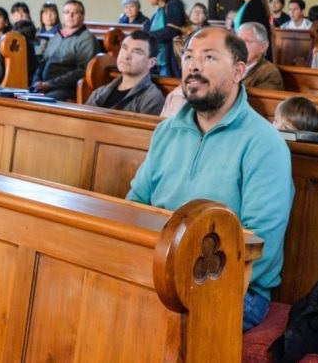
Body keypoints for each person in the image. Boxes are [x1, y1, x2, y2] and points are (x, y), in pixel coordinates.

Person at [126, 27, 294, 331]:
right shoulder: (166, 131)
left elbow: (261, 243)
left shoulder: (264, 143)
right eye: (188, 57)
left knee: (140, 324)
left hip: (234, 289)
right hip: (160, 271)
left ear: (239, 71)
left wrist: (179, 277)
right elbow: (136, 204)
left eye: (209, 57)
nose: (194, 66)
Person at [32, 0, 100, 100]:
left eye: (75, 12)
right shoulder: (57, 36)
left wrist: (49, 84)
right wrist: (36, 82)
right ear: (63, 15)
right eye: (67, 12)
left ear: (82, 16)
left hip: (67, 88)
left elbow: (82, 71)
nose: (70, 15)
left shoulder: (87, 39)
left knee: (43, 102)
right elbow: (43, 63)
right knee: (20, 98)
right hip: (45, 86)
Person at [85, 30, 164, 115]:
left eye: (137, 52)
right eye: (124, 48)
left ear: (151, 63)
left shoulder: (152, 98)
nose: (126, 56)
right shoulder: (99, 92)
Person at [143, 0, 187, 77]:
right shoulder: (158, 12)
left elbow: (171, 32)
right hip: (158, 60)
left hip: (169, 62)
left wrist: (148, 36)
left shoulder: (174, 5)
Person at [237, 22, 284, 90]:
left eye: (247, 41)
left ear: (263, 47)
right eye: (239, 41)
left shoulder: (270, 73)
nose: (241, 46)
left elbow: (258, 99)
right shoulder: (229, 66)